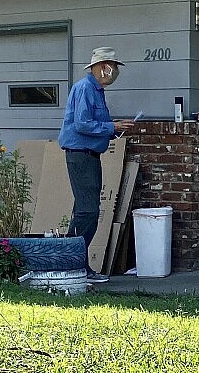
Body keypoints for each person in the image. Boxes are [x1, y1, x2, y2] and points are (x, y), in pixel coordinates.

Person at [58, 47, 134, 283]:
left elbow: (91, 124)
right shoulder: (85, 88)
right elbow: (82, 124)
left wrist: (112, 130)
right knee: (88, 211)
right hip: (81, 154)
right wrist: (113, 127)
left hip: (88, 154)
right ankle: (72, 263)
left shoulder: (95, 90)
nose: (114, 73)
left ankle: (73, 263)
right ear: (103, 67)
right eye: (113, 67)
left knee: (85, 210)